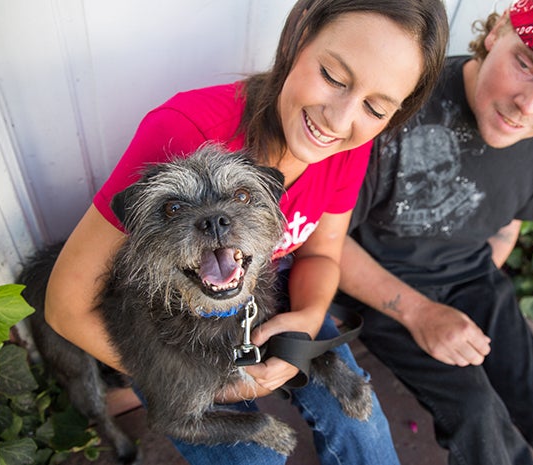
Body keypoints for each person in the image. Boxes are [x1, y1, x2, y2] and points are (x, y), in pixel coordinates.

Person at [44, 0, 449, 463]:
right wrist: (209, 388)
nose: (339, 119)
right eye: (334, 77)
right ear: (298, 37)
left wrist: (310, 317)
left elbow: (320, 253)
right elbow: (64, 306)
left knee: (363, 424)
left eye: (377, 108)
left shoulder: (350, 143)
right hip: (165, 327)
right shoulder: (184, 130)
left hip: (268, 295)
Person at [334, 0, 533, 464]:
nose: (530, 106)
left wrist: (476, 300)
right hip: (382, 284)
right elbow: (327, 239)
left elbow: (507, 224)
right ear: (498, 30)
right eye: (526, 65)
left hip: (475, 278)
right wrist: (422, 313)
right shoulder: (403, 103)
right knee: (477, 411)